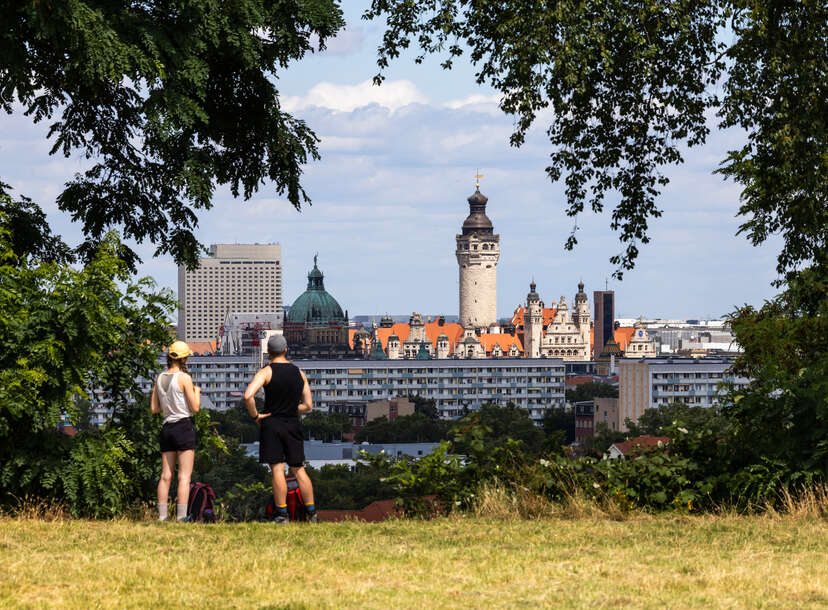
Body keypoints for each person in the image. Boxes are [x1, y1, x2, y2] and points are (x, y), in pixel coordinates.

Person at [244, 334, 317, 523]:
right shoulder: (298, 373)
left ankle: (281, 513)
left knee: (277, 469)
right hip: (293, 423)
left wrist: (256, 416)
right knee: (298, 469)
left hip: (272, 423)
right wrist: (292, 409)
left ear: (268, 352)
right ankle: (311, 512)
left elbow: (248, 396)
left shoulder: (266, 372)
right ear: (286, 350)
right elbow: (308, 405)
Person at [150, 341, 201, 522]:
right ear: (183, 358)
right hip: (183, 426)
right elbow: (195, 408)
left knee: (165, 475)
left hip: (167, 427)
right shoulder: (184, 378)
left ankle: (162, 516)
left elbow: (154, 408)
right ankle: (181, 517)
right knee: (184, 476)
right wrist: (197, 392)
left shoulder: (160, 378)